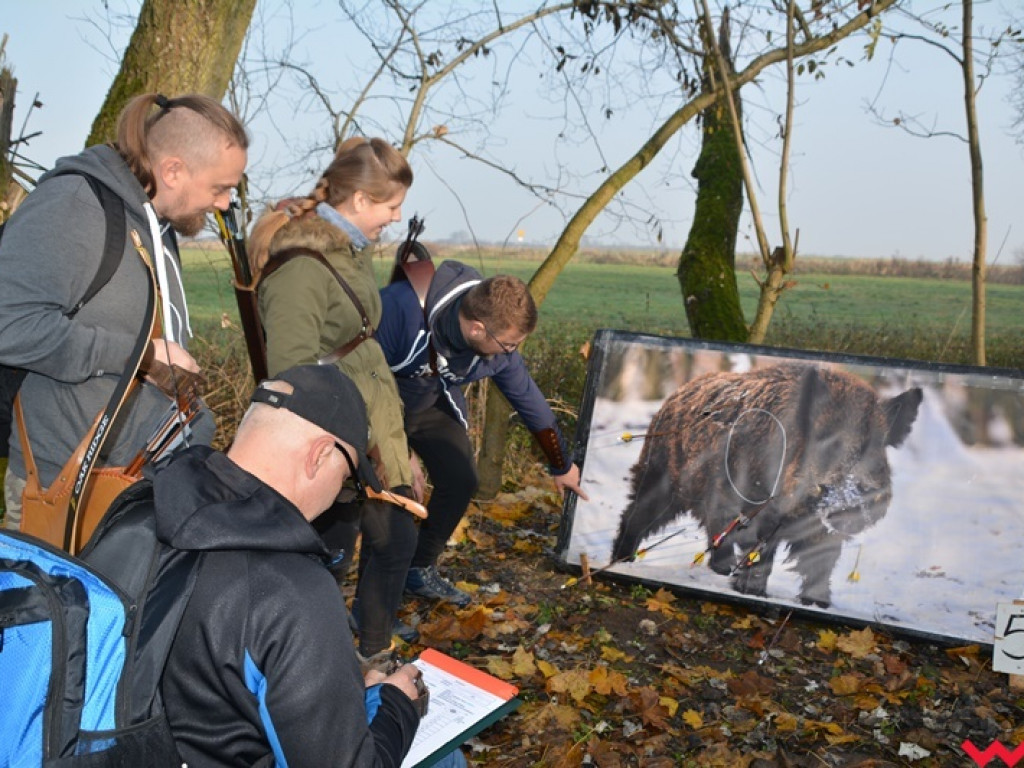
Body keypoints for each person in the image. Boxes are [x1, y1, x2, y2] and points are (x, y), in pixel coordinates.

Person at [154, 364, 435, 767]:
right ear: (320, 454)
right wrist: (397, 705)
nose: (341, 495)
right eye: (348, 480)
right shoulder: (292, 592)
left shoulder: (140, 510)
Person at [0, 92, 248, 530]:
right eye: (220, 187)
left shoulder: (155, 222)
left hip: (134, 487)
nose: (226, 203)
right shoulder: (73, 206)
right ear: (172, 169)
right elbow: (10, 325)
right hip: (64, 496)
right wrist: (141, 358)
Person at [249, 136, 418, 663]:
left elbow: (359, 344)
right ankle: (307, 668)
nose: (395, 217)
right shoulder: (302, 266)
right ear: (361, 201)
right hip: (331, 437)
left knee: (395, 540)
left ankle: (370, 653)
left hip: (372, 420)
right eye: (390, 206)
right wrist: (348, 445)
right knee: (325, 561)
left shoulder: (349, 253)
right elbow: (293, 374)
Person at [377, 260, 589, 607]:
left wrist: (561, 464)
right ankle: (375, 611)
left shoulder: (496, 348)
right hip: (376, 402)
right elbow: (357, 381)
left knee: (461, 478)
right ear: (477, 329)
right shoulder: (399, 309)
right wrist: (397, 451)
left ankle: (418, 570)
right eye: (508, 344)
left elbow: (530, 401)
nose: (511, 351)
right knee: (394, 493)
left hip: (429, 403)